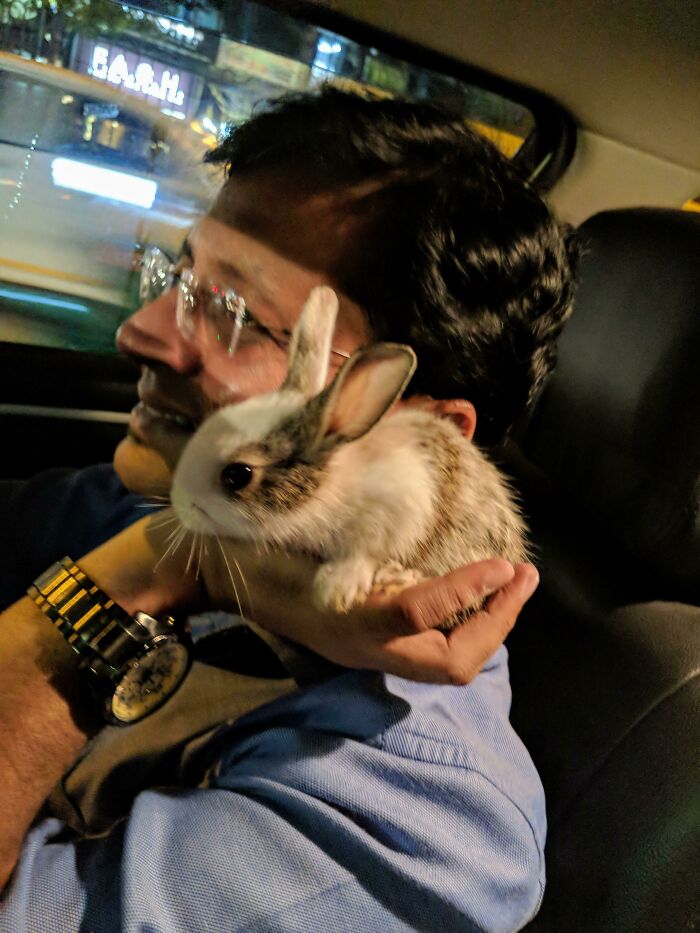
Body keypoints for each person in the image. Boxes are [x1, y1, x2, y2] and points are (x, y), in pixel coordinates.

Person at [0, 89, 577, 930]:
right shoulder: (160, 499)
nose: (141, 330)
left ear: (421, 436)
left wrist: (144, 575)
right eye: (180, 277)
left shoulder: (415, 828)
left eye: (235, 314)